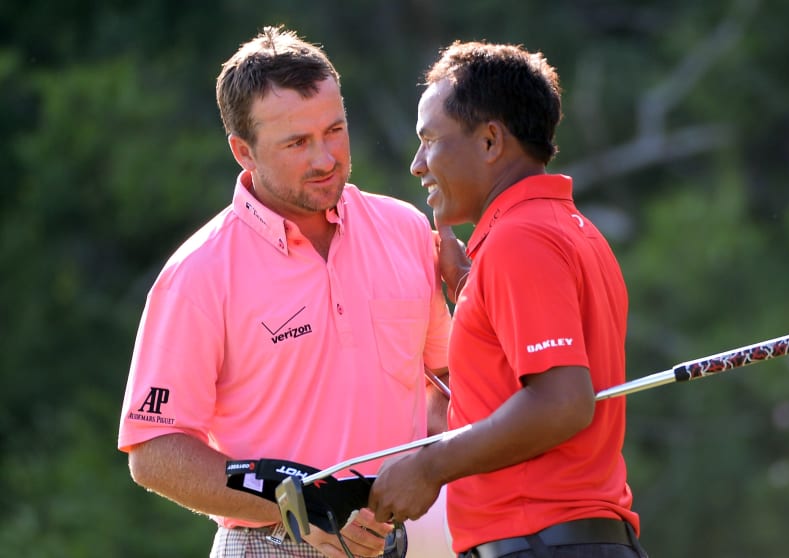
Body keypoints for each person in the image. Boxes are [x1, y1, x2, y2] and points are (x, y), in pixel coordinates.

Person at [117, 25, 456, 558]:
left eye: (335, 130)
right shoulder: (198, 272)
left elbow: (447, 380)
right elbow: (154, 451)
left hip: (408, 543)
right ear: (243, 151)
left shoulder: (406, 229)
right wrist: (300, 515)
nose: (325, 158)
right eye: (297, 143)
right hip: (270, 543)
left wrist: (426, 473)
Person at [368, 41, 649, 558]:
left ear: (490, 141)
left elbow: (561, 402)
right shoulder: (568, 228)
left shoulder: (521, 240)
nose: (417, 165)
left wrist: (428, 467)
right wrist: (470, 290)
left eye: (429, 141)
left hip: (541, 544)